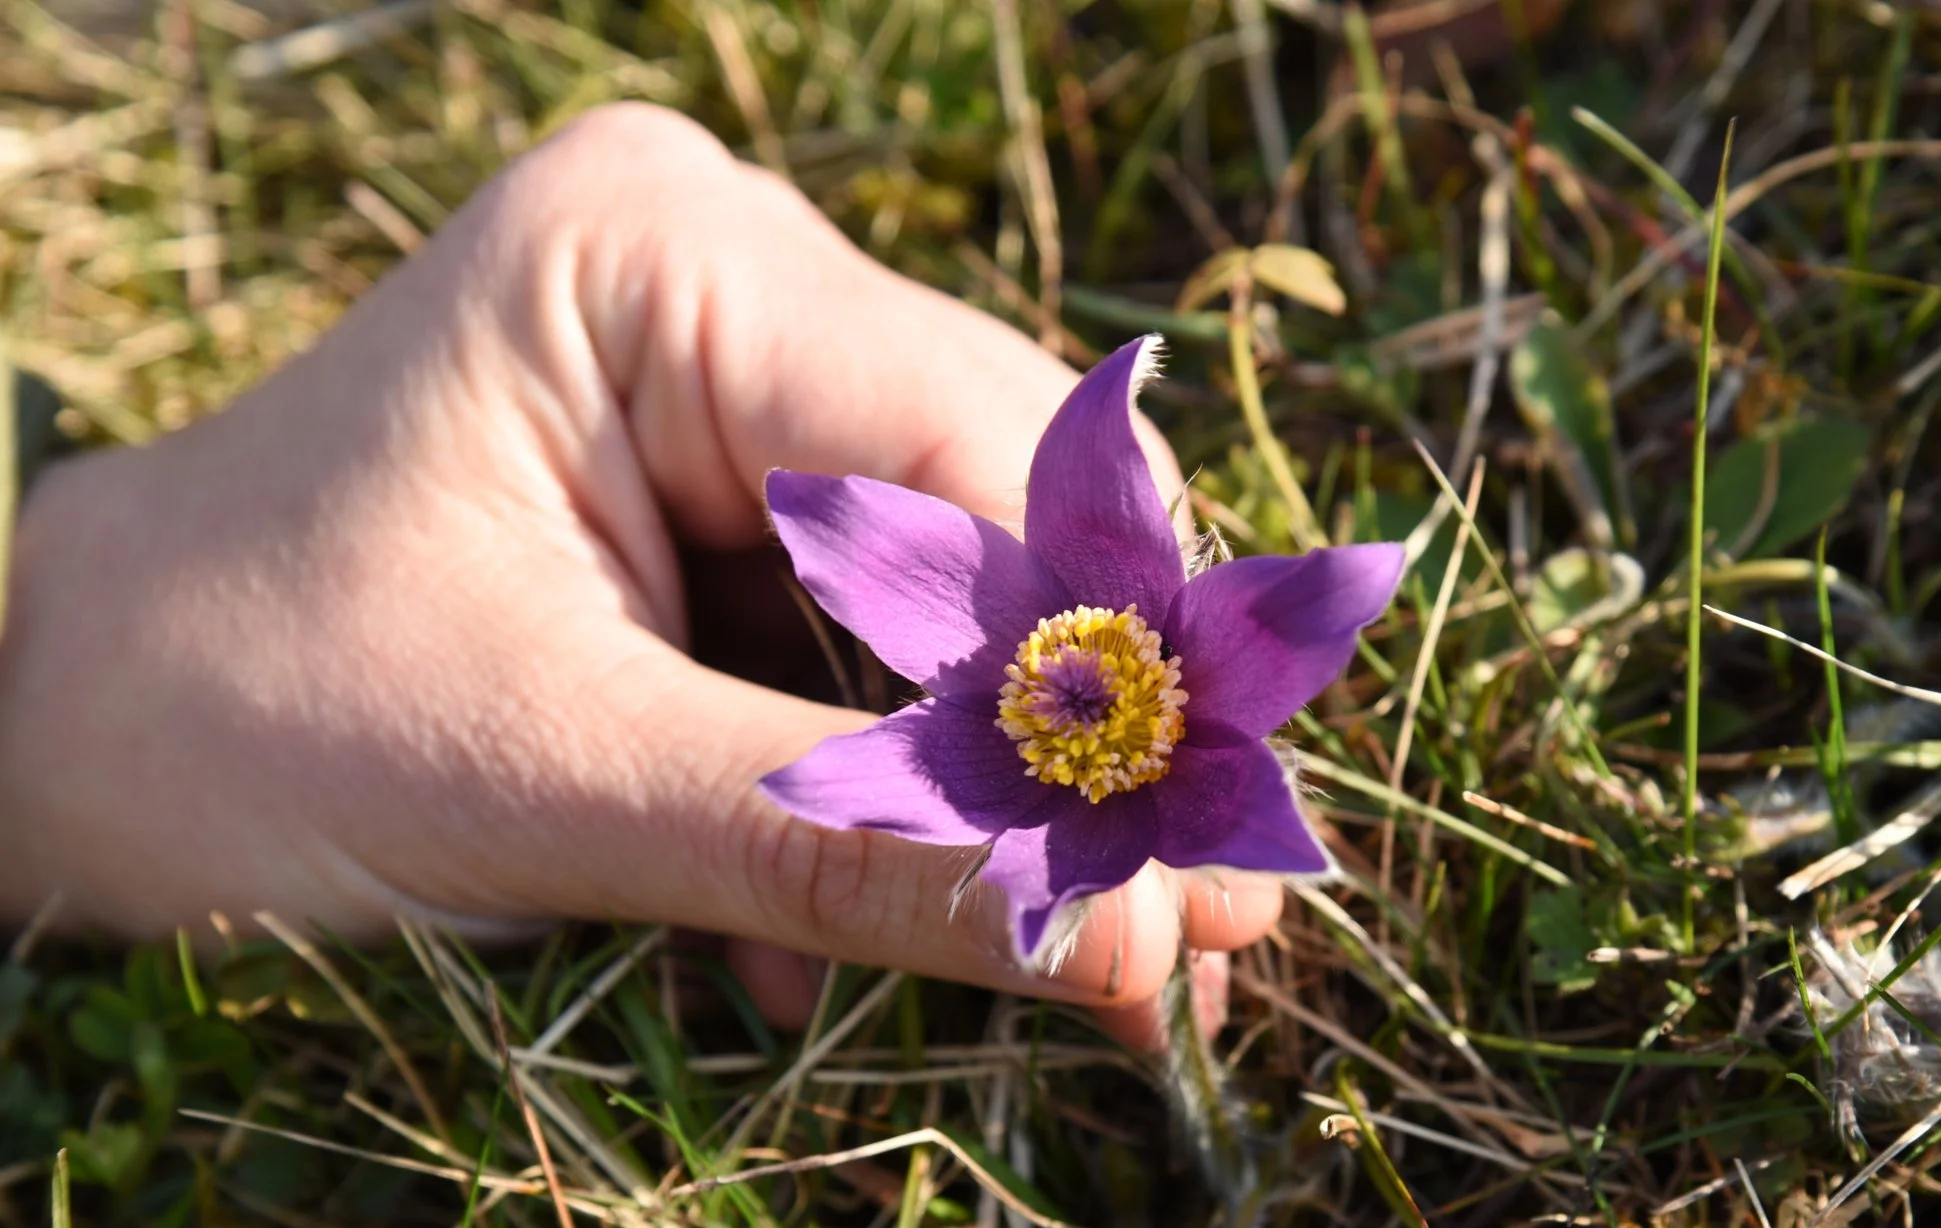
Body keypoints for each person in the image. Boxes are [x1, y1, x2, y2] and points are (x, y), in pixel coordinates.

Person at [0, 102, 1283, 1051]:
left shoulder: (1207, 669)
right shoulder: (1012, 682)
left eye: (1109, 692)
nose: (1073, 686)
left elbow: (1289, 621)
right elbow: (817, 765)